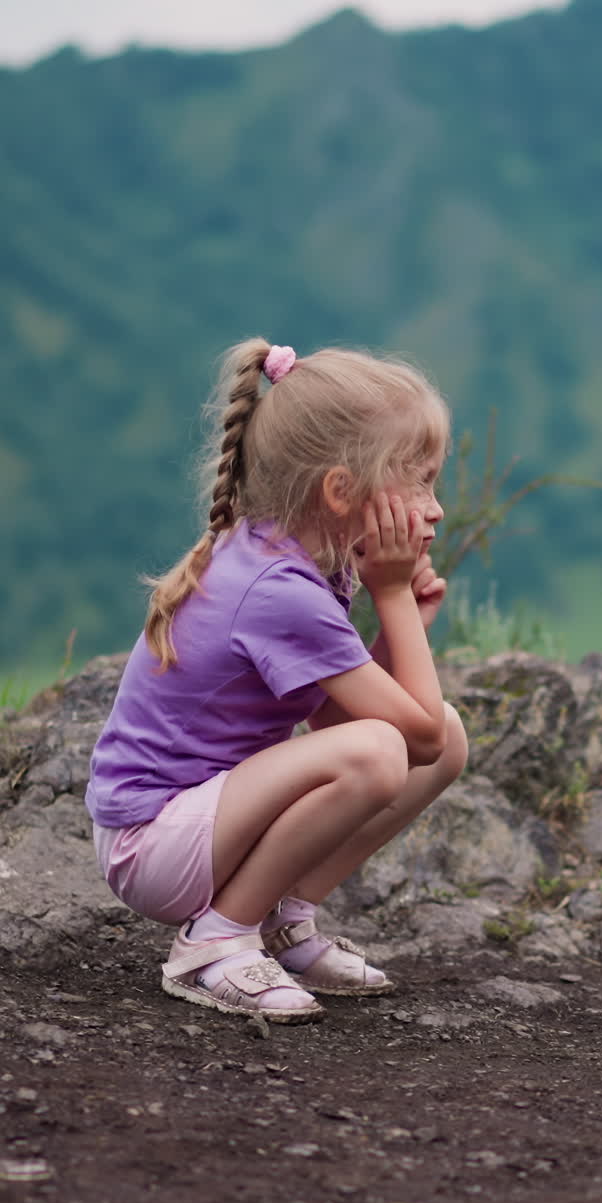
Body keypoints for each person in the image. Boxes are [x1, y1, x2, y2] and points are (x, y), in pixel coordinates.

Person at [86, 339, 468, 1025]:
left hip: (198, 827)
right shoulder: (279, 590)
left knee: (445, 735)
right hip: (151, 846)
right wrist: (394, 598)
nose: (434, 508)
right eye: (418, 481)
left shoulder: (301, 559)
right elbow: (411, 738)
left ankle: (283, 922)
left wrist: (394, 617)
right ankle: (215, 942)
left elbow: (341, 725)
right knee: (396, 748)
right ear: (341, 491)